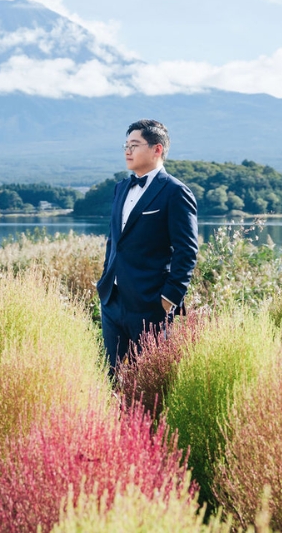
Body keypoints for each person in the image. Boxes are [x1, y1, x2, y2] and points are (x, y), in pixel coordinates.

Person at [97, 119, 198, 374]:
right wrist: (105, 282)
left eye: (135, 145)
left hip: (151, 304)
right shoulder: (121, 188)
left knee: (150, 381)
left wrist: (169, 298)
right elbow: (114, 241)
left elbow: (187, 250)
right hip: (113, 301)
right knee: (112, 378)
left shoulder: (175, 192)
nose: (127, 151)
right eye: (126, 145)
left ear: (157, 149)